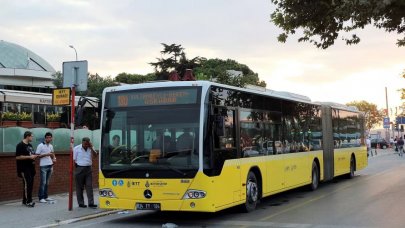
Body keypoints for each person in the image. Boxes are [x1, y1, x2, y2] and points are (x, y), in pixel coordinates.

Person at [73, 137, 98, 208]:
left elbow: (95, 156)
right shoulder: (76, 148)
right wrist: (76, 169)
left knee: (89, 186)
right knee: (79, 187)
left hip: (88, 169)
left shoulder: (91, 147)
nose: (86, 145)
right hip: (79, 168)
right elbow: (74, 160)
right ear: (82, 142)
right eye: (85, 144)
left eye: (88, 144)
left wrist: (91, 148)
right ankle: (81, 203)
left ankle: (91, 203)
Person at [16, 131, 38, 207]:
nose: (32, 138)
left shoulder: (30, 145)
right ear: (27, 136)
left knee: (30, 184)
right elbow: (18, 157)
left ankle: (25, 200)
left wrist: (34, 156)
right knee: (27, 184)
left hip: (31, 168)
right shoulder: (20, 145)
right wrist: (29, 157)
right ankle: (28, 201)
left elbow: (32, 154)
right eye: (31, 136)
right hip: (24, 168)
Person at [36, 132, 57, 203]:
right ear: (45, 138)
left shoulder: (51, 146)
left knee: (47, 183)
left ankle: (46, 196)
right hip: (43, 166)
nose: (49, 139)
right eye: (47, 137)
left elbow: (53, 153)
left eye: (50, 137)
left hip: (50, 165)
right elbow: (37, 155)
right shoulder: (40, 145)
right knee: (43, 182)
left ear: (51, 138)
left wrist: (54, 158)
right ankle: (41, 197)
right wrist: (46, 154)